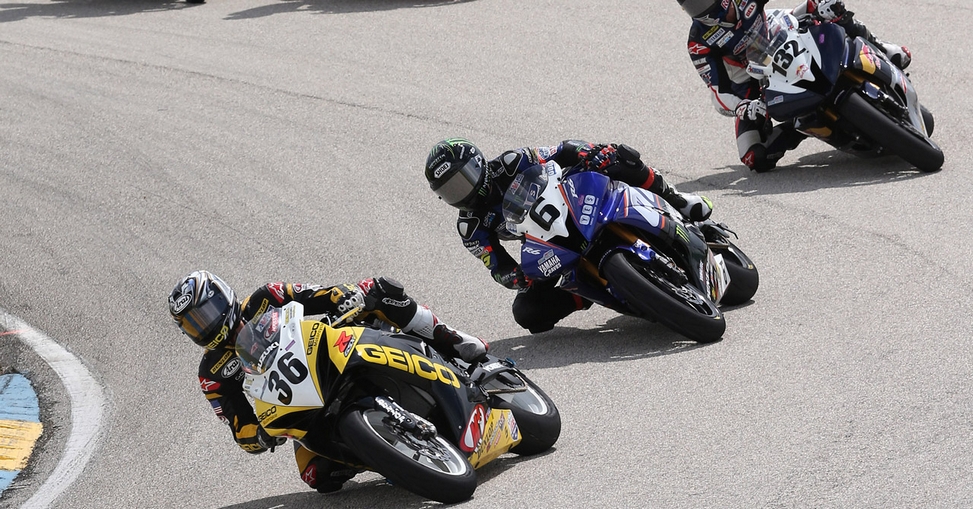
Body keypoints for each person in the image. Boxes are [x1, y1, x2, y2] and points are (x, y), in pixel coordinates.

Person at [167, 270, 488, 493]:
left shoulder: (265, 298)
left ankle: (452, 340)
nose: (205, 325)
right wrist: (260, 436)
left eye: (206, 312)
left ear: (223, 296)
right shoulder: (211, 374)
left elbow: (318, 295)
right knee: (317, 476)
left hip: (326, 355)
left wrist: (346, 296)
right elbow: (240, 427)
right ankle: (392, 457)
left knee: (380, 291)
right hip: (297, 403)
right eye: (195, 324)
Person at [423, 137, 713, 334]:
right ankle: (589, 293)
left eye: (461, 181)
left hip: (571, 200)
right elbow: (496, 265)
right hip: (545, 243)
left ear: (478, 165)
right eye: (450, 191)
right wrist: (515, 277)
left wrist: (589, 152)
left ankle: (676, 200)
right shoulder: (470, 228)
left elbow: (561, 150)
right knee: (527, 313)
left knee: (618, 158)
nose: (460, 193)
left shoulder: (511, 162)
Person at [677, 0, 913, 172]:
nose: (701, 6)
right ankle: (799, 125)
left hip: (781, 30)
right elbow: (718, 91)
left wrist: (819, 6)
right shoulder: (698, 41)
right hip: (751, 79)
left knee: (829, 8)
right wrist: (742, 107)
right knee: (753, 157)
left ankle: (882, 48)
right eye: (693, 4)